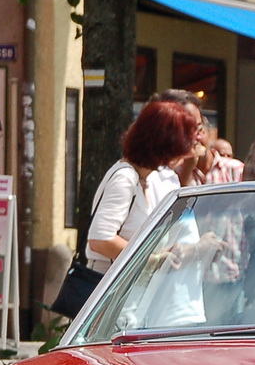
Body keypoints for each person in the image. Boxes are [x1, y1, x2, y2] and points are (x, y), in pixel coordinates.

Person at [86, 99, 201, 270]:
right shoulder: (125, 178)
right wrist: (151, 260)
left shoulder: (144, 178)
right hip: (107, 285)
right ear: (166, 148)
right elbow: (100, 239)